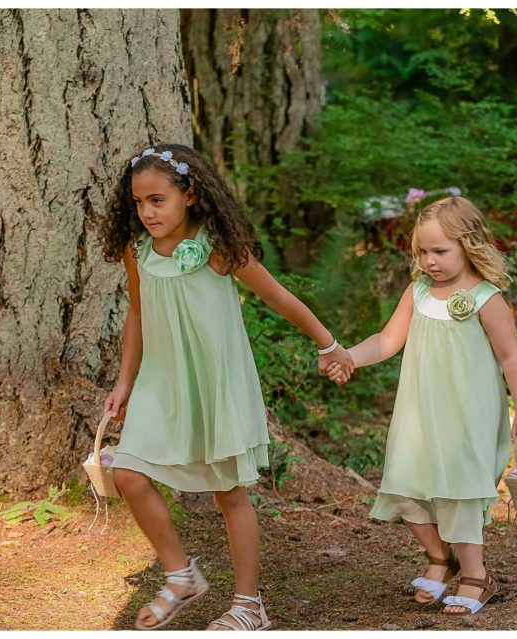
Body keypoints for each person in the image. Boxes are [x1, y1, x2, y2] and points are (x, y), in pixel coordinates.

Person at [97, 143, 354, 630]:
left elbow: (277, 294)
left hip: (216, 383)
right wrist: (125, 380)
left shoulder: (216, 248)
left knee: (230, 493)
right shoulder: (138, 253)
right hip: (162, 383)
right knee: (128, 473)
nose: (146, 212)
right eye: (138, 202)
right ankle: (180, 575)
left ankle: (247, 604)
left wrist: (329, 344)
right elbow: (137, 312)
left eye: (157, 200)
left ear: (190, 194)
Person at [327, 196, 517, 616]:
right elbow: (388, 341)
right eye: (423, 251)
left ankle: (477, 576)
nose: (430, 260)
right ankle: (441, 558)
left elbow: (512, 357)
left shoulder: (485, 299)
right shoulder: (418, 292)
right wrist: (348, 355)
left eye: (440, 251)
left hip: (466, 416)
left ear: (470, 244)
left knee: (457, 493)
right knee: (404, 488)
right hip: (418, 414)